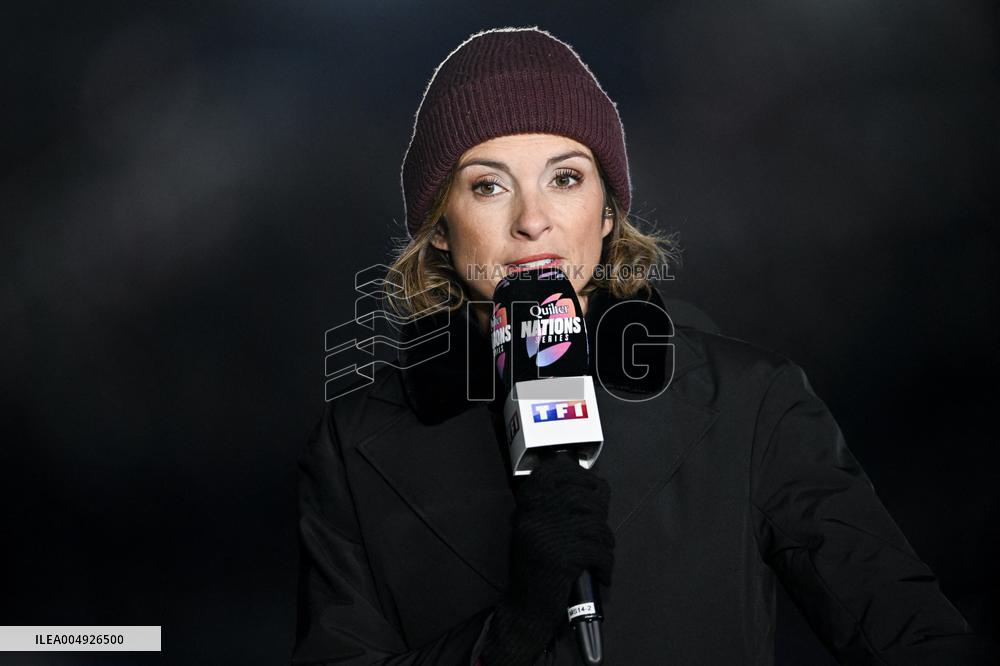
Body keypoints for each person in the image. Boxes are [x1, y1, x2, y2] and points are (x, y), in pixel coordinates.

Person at [292, 26, 998, 665]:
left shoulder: (752, 403)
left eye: (564, 178)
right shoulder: (353, 449)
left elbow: (912, 635)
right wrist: (513, 628)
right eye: (487, 186)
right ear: (440, 227)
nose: (532, 221)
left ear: (606, 212)